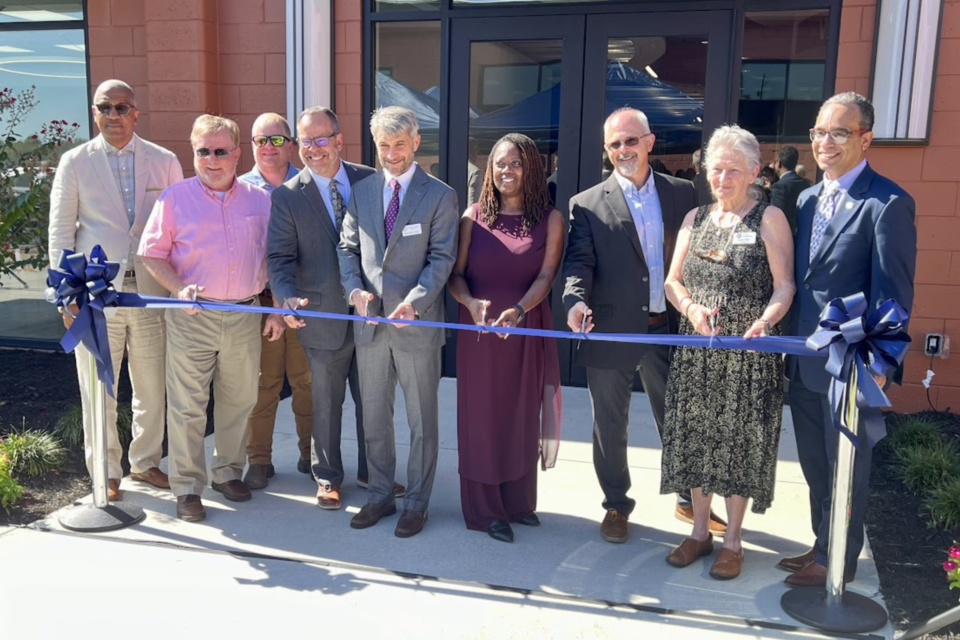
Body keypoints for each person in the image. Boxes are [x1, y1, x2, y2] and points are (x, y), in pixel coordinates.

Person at [562, 107, 722, 545]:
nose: (623, 150)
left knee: (679, 417)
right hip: (611, 328)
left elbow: (700, 256)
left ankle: (688, 497)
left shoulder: (683, 193)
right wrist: (574, 301)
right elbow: (579, 265)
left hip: (667, 327)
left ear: (650, 142)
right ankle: (616, 505)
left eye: (631, 141)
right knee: (610, 425)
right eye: (614, 144)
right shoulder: (588, 204)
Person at [783, 92, 916, 587]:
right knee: (817, 465)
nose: (826, 142)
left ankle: (839, 559)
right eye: (820, 132)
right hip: (803, 359)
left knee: (848, 469)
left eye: (840, 132)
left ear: (866, 138)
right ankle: (823, 542)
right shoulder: (805, 200)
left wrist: (880, 365)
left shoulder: (888, 204)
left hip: (851, 367)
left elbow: (894, 294)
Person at [660, 124, 795, 580]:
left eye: (733, 170)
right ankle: (699, 532)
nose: (722, 178)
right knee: (697, 439)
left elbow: (785, 286)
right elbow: (672, 281)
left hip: (746, 355)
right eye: (715, 169)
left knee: (738, 443)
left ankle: (733, 541)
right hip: (697, 348)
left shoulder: (769, 218)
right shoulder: (694, 218)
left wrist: (764, 322)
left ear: (754, 171)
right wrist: (692, 308)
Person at [48, 79, 183, 501]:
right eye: (104, 107)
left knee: (150, 386)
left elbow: (180, 229)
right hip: (93, 297)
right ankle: (105, 470)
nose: (113, 115)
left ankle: (145, 464)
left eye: (121, 107)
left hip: (148, 294)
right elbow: (60, 232)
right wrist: (64, 296)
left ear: (136, 113)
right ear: (94, 113)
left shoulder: (164, 161)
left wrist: (179, 291)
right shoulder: (74, 162)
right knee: (98, 387)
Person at [268, 106, 405, 510]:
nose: (313, 149)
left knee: (375, 400)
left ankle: (374, 471)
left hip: (372, 314)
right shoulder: (288, 196)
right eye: (305, 141)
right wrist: (286, 295)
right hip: (322, 314)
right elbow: (278, 258)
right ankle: (327, 476)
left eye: (321, 139)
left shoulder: (371, 179)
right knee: (325, 403)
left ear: (339, 140)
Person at [139, 115, 272, 522]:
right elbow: (151, 254)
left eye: (219, 151)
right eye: (202, 151)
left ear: (236, 153)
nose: (211, 160)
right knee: (187, 406)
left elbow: (274, 257)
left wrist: (275, 306)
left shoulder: (260, 199)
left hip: (246, 313)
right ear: (192, 152)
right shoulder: (174, 198)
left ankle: (227, 472)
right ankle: (186, 486)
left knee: (240, 400)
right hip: (192, 317)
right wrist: (178, 288)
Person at [338, 106, 459, 538]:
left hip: (417, 326)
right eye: (384, 146)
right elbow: (347, 248)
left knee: (422, 421)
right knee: (373, 417)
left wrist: (415, 301)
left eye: (399, 145)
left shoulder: (440, 195)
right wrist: (353, 290)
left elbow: (442, 258)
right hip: (369, 327)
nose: (391, 154)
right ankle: (380, 496)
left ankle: (417, 504)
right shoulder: (364, 191)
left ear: (416, 142)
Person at [448, 133, 564, 543]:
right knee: (482, 418)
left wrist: (519, 310)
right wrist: (471, 302)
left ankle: (516, 501)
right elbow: (456, 276)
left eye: (515, 163)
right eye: (499, 163)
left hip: (524, 329)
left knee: (518, 416)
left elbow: (547, 276)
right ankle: (484, 509)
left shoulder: (550, 218)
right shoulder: (472, 216)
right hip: (479, 335)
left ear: (531, 167)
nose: (506, 171)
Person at [238, 113, 309, 490]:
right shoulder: (239, 191)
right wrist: (271, 305)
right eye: (259, 140)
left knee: (307, 384)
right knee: (262, 386)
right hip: (260, 307)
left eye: (276, 140)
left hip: (304, 305)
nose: (267, 147)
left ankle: (311, 456)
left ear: (291, 144)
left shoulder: (309, 185)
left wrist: (288, 305)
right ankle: (259, 459)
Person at [769, 145, 812, 235]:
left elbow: (777, 217)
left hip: (785, 236)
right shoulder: (806, 184)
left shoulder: (779, 186)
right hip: (803, 235)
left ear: (779, 163)